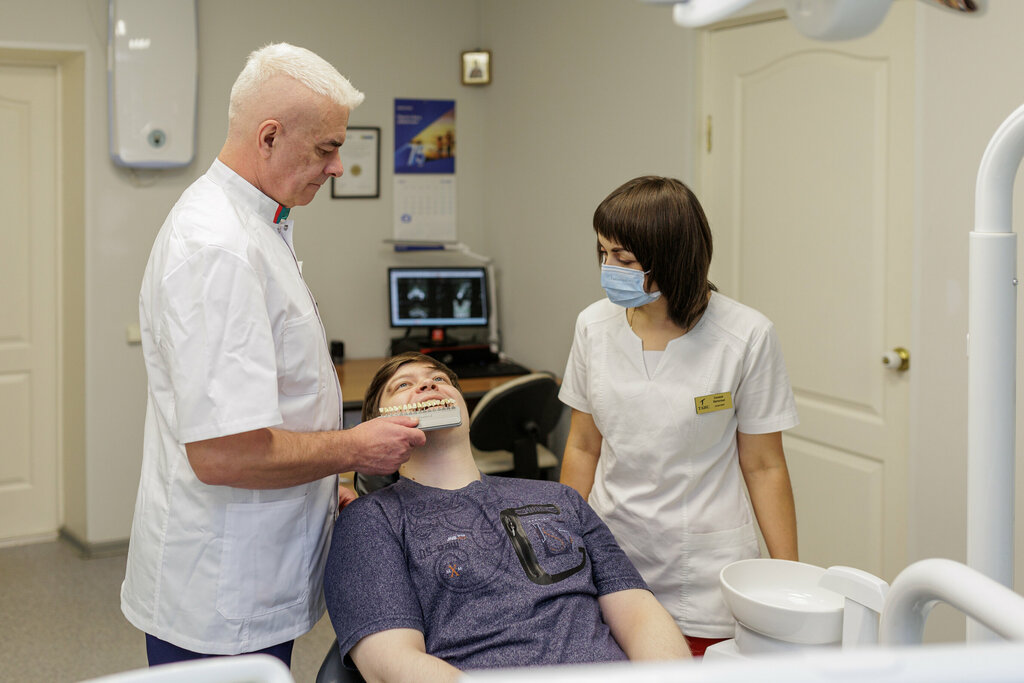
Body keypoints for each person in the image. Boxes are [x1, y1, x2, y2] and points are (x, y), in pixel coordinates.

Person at [121, 44, 427, 667]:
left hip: (251, 572)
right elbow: (224, 452)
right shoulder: (220, 248)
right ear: (268, 137)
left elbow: (275, 401)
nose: (338, 166)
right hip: (221, 591)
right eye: (325, 149)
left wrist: (328, 481)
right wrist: (355, 448)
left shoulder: (259, 224)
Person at [324, 353, 692, 681]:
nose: (427, 384)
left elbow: (640, 614)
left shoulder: (561, 498)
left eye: (439, 380)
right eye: (403, 385)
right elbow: (391, 664)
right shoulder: (372, 520)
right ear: (376, 425)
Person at [558, 176, 800, 657]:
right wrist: (563, 544)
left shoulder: (745, 335)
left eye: (624, 259)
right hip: (612, 550)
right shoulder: (594, 325)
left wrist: (788, 580)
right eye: (603, 253)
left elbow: (764, 465)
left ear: (671, 256)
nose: (609, 269)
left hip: (703, 569)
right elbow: (584, 445)